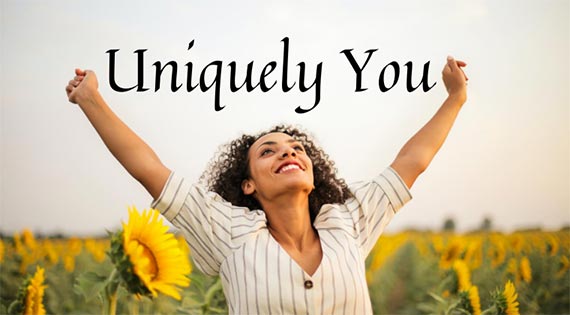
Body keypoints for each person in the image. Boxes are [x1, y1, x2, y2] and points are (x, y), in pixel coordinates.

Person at [65, 56, 468, 314]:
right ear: (247, 186)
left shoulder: (347, 221)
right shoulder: (229, 233)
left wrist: (455, 98)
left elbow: (412, 162)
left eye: (296, 149)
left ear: (313, 174)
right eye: (268, 152)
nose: (288, 153)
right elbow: (148, 168)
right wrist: (91, 99)